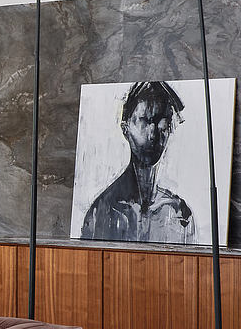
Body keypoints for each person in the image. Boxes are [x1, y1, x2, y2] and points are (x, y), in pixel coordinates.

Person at [81, 81, 196, 243]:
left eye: (163, 123)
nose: (153, 134)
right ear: (125, 128)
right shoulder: (102, 211)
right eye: (144, 121)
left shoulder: (180, 214)